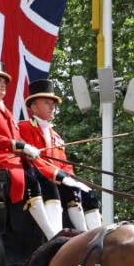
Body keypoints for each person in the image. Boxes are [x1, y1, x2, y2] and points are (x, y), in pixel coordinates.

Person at [0, 62, 88, 239]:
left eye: (4, 81)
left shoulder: (7, 112)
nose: (3, 84)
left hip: (14, 160)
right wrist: (21, 146)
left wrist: (28, 152)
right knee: (31, 180)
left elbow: (17, 140)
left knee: (47, 183)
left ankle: (58, 234)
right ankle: (51, 235)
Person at [19, 78, 102, 231]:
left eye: (53, 104)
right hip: (40, 181)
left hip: (59, 180)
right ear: (34, 107)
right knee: (70, 190)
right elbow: (32, 161)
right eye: (47, 103)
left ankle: (94, 234)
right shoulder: (24, 127)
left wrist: (71, 177)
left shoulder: (56, 136)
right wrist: (58, 175)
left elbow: (64, 164)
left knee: (88, 193)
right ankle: (81, 235)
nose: (52, 107)